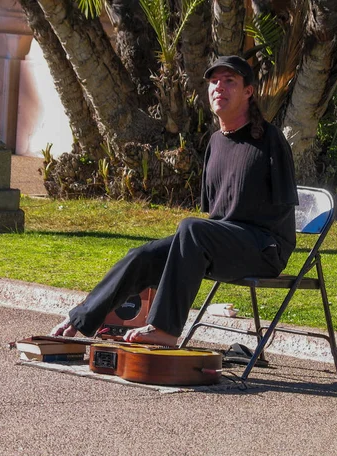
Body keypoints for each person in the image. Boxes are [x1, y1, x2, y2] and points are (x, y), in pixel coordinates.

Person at [50, 55, 298, 346]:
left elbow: (281, 211)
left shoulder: (270, 140)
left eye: (230, 81)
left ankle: (164, 330)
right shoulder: (216, 142)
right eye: (214, 82)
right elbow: (216, 214)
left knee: (192, 229)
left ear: (248, 91)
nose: (220, 87)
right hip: (219, 243)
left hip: (264, 249)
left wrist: (241, 233)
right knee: (143, 255)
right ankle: (80, 318)